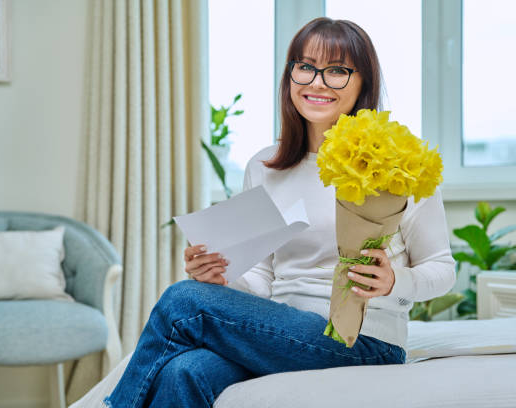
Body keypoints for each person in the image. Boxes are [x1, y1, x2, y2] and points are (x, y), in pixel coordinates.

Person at [103, 17, 455, 408]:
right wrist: (221, 279)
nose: (317, 82)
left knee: (183, 301)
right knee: (182, 371)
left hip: (362, 341)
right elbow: (262, 277)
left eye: (337, 71)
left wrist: (393, 282)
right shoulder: (265, 166)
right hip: (278, 331)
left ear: (363, 84)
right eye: (305, 67)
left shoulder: (397, 165)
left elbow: (442, 269)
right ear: (290, 76)